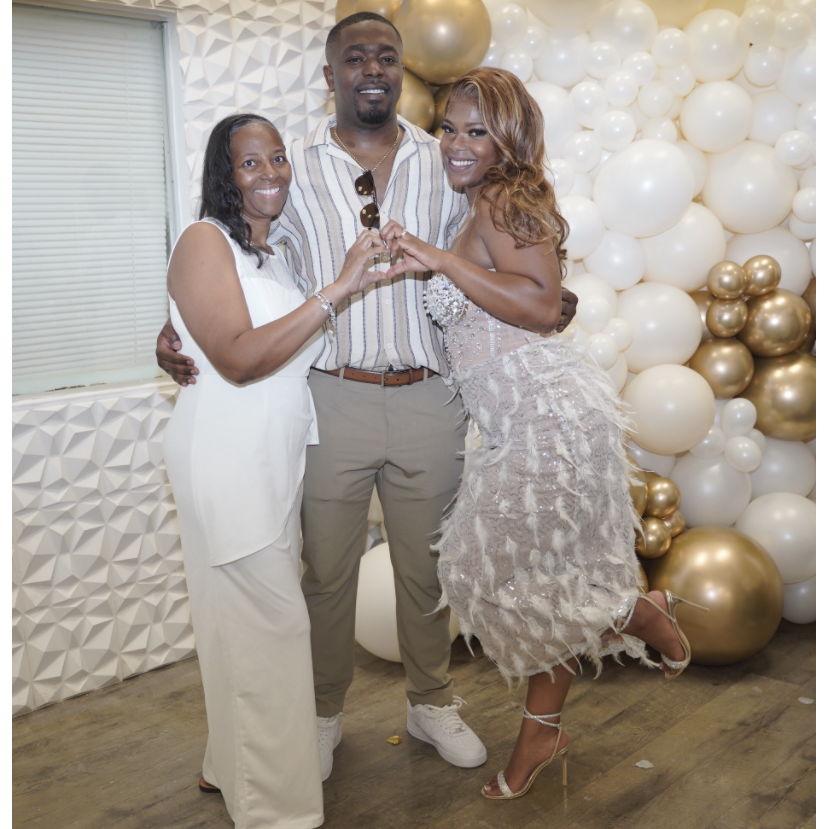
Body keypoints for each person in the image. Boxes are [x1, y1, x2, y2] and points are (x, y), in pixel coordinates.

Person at [157, 12, 579, 782]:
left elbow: (503, 247)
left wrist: (554, 290)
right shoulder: (292, 168)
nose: (372, 70)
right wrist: (173, 323)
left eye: (386, 56)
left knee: (428, 568)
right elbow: (237, 254)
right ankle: (322, 714)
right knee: (326, 573)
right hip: (331, 396)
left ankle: (431, 702)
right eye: (355, 58)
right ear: (331, 75)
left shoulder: (446, 158)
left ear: (399, 67)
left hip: (430, 394)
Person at [379, 67, 707, 802]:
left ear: (510, 139)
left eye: (477, 130)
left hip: (549, 419)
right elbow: (523, 302)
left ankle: (631, 615)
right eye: (449, 128)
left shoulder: (504, 198)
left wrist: (438, 259)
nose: (457, 144)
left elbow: (536, 305)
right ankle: (546, 724)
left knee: (478, 569)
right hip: (519, 423)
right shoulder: (478, 204)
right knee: (533, 577)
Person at [162, 112, 387, 828]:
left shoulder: (270, 253)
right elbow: (236, 357)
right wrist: (339, 287)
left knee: (240, 625)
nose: (270, 174)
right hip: (227, 456)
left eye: (278, 158)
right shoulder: (204, 240)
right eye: (250, 162)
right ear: (223, 175)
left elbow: (221, 326)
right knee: (271, 630)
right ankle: (275, 812)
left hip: (273, 458)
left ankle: (225, 766)